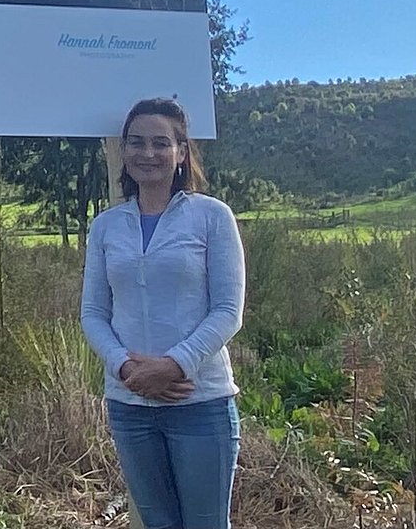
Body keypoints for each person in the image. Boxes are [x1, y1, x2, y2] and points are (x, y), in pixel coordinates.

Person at [81, 97, 246, 529]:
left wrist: (173, 366)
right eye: (136, 142)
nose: (148, 153)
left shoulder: (212, 217)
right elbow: (93, 313)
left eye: (160, 143)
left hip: (199, 401)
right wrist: (126, 369)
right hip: (130, 404)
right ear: (124, 151)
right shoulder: (106, 226)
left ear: (181, 152)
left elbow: (228, 310)